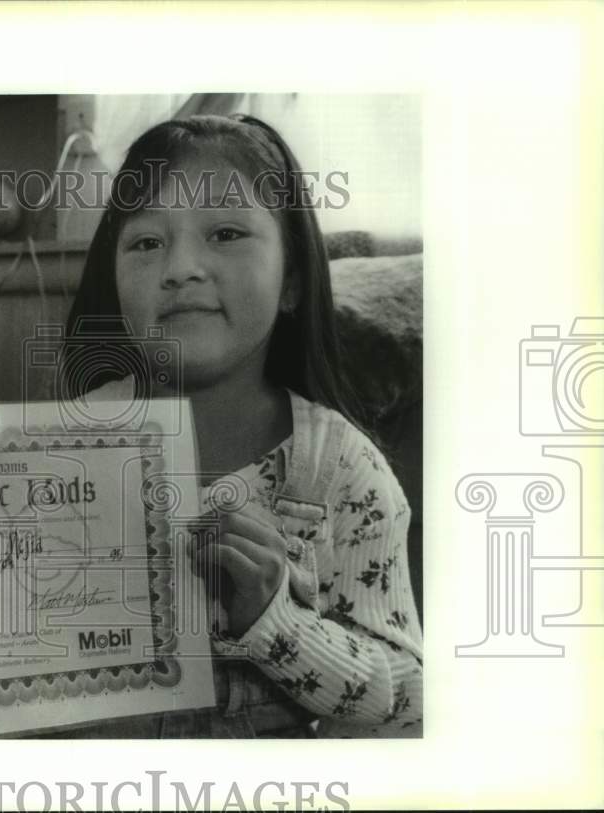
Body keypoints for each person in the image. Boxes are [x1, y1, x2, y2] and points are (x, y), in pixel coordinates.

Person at [57, 113, 423, 738]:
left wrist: (276, 621)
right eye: (146, 243)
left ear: (293, 282)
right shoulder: (61, 445)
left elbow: (406, 697)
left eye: (225, 232)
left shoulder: (343, 471)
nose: (181, 268)